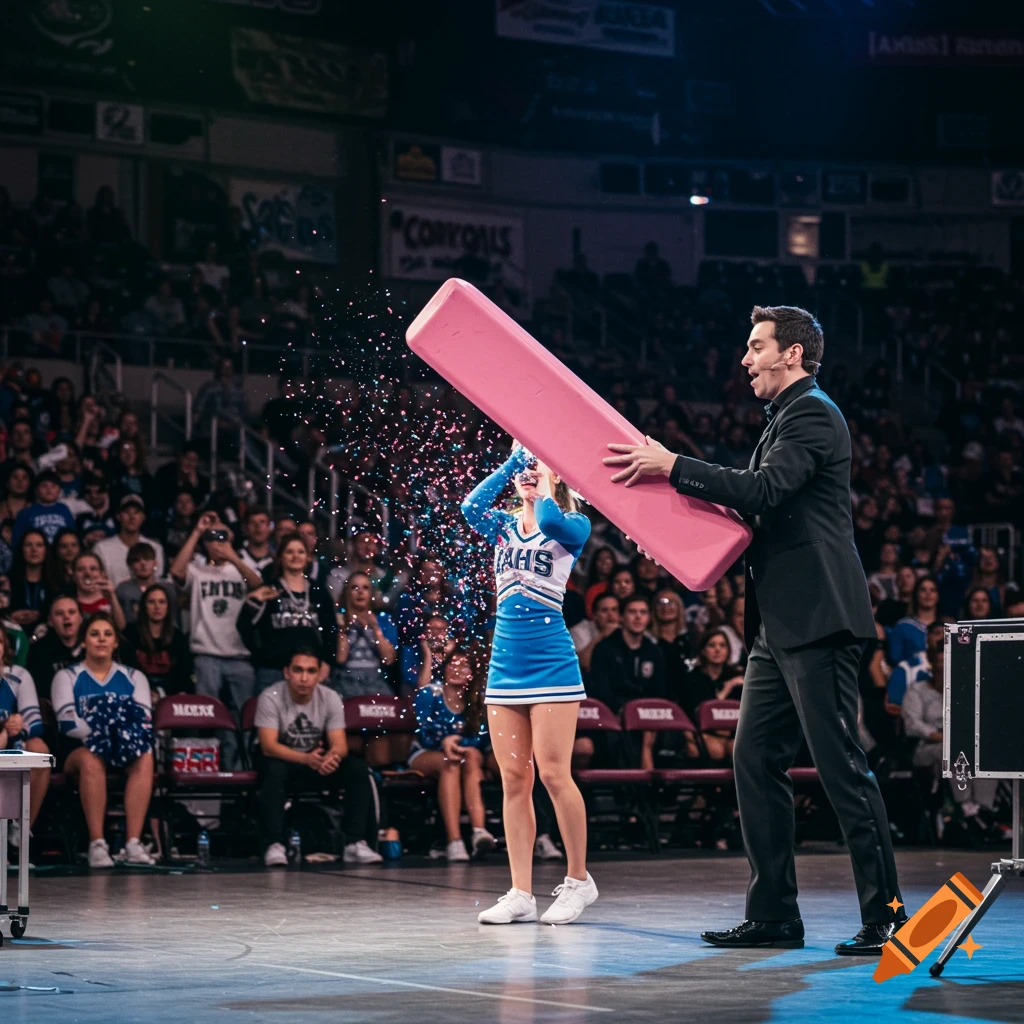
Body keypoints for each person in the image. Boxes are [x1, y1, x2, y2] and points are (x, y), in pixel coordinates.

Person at [605, 303, 904, 954]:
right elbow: (757, 507)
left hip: (820, 619)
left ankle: (889, 917)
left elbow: (765, 490)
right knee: (754, 759)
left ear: (791, 354)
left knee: (841, 767)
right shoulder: (786, 418)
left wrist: (674, 464)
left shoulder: (814, 414)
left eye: (756, 346)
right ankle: (773, 915)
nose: (745, 358)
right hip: (779, 624)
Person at [462, 444, 598, 926]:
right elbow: (469, 508)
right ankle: (521, 890)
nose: (527, 473)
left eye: (537, 466)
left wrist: (544, 481)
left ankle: (579, 881)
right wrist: (511, 463)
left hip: (552, 666)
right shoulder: (501, 524)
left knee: (555, 775)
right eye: (525, 467)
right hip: (505, 666)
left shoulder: (572, 525)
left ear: (557, 479)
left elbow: (556, 524)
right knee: (514, 780)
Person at [255, 648, 382, 867]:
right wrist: (306, 759)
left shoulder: (330, 697)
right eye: (298, 670)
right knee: (274, 770)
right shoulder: (270, 696)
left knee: (357, 768)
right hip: (283, 761)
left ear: (319, 674)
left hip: (315, 761)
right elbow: (268, 746)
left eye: (311, 671)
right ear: (286, 672)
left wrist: (330, 758)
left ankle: (354, 842)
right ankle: (274, 844)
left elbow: (340, 744)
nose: (304, 678)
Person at [52, 612, 155, 868]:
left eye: (108, 634)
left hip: (123, 748)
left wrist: (114, 737)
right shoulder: (67, 676)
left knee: (145, 755)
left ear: (116, 642)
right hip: (78, 750)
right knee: (91, 759)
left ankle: (133, 842)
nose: (101, 640)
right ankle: (97, 843)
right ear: (84, 641)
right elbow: (67, 723)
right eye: (94, 634)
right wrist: (105, 734)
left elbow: (142, 720)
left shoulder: (134, 677)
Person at [169, 512, 262, 769]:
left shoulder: (240, 569)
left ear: (232, 537)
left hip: (240, 656)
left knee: (243, 721)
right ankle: (203, 772)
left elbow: (257, 585)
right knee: (206, 720)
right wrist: (198, 531)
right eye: (212, 536)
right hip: (206, 654)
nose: (217, 541)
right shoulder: (198, 570)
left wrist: (232, 554)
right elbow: (176, 572)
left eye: (222, 535)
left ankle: (238, 774)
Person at [902, 626, 999, 833]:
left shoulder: (963, 690)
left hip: (960, 742)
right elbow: (912, 725)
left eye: (947, 662)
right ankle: (966, 808)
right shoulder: (917, 690)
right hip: (928, 747)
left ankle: (982, 809)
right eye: (939, 662)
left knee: (983, 753)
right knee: (954, 751)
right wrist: (945, 737)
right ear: (932, 663)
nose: (942, 667)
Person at [409, 633, 495, 861]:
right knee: (451, 763)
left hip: (463, 757)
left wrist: (461, 745)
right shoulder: (430, 694)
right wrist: (443, 741)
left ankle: (478, 831)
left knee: (472, 755)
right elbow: (423, 733)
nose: (457, 669)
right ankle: (454, 841)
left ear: (472, 673)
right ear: (444, 668)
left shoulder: (477, 700)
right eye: (452, 664)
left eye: (464, 665)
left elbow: (482, 739)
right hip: (425, 753)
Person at [239, 533, 337, 692]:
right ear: (280, 558)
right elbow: (243, 625)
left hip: (310, 672)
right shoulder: (268, 589)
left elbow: (330, 629)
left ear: (308, 557)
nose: (295, 556)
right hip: (273, 671)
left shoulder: (318, 591)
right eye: (289, 552)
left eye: (300, 552)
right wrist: (261, 656)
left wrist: (327, 661)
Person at [588, 595, 665, 770]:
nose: (638, 617)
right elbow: (600, 688)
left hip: (645, 715)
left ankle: (652, 789)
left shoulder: (655, 651)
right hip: (612, 713)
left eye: (643, 612)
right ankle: (630, 790)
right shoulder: (604, 649)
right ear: (622, 617)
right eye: (632, 612)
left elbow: (658, 691)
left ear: (649, 617)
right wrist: (622, 711)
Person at [0, 623, 51, 837]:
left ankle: (19, 830)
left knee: (38, 749)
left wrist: (18, 727)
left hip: (10, 744)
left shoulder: (18, 675)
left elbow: (36, 724)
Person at [122, 584, 192, 697]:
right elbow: (125, 671)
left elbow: (184, 677)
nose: (157, 607)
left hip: (169, 697)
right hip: (136, 694)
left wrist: (160, 693)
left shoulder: (179, 638)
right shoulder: (130, 634)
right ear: (144, 606)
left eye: (162, 602)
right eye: (151, 602)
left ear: (168, 607)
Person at [93, 496, 166, 586]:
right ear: (118, 516)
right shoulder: (101, 548)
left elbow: (157, 580)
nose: (132, 517)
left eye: (136, 512)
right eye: (127, 512)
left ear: (143, 517)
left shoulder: (155, 548)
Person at [26, 595, 82, 701]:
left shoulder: (91, 646)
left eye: (71, 612)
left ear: (80, 618)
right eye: (59, 613)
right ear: (50, 621)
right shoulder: (38, 651)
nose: (66, 617)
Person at [7, 529, 60, 632]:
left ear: (46, 550)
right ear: (21, 549)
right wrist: (10, 616)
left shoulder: (57, 582)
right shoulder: (8, 581)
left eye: (39, 545)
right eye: (28, 545)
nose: (34, 549)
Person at [115, 541, 175, 626]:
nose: (143, 563)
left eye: (147, 558)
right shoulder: (123, 590)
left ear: (155, 563)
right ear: (130, 565)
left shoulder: (168, 589)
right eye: (137, 560)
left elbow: (174, 620)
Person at [12, 469, 75, 545]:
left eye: (53, 486)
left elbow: (73, 534)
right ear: (36, 490)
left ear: (59, 490)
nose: (49, 489)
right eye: (44, 486)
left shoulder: (64, 509)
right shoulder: (26, 513)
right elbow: (17, 541)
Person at [888, 575, 940, 667]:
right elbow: (895, 660)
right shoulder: (902, 626)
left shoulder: (946, 627)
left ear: (938, 595)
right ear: (916, 594)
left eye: (932, 590)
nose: (928, 594)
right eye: (923, 590)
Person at [70, 551, 126, 630]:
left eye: (93, 569)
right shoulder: (67, 602)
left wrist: (112, 597)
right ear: (74, 575)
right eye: (81, 569)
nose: (87, 574)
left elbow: (121, 626)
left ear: (102, 573)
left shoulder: (114, 598)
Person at [570, 591, 620, 675]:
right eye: (604, 610)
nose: (611, 615)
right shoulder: (579, 630)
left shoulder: (625, 629)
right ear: (595, 615)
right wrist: (602, 635)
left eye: (614, 610)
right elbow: (584, 664)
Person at [237, 508, 274, 575]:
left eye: (262, 522)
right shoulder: (236, 558)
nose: (258, 526)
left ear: (270, 527)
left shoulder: (278, 560)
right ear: (245, 528)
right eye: (252, 522)